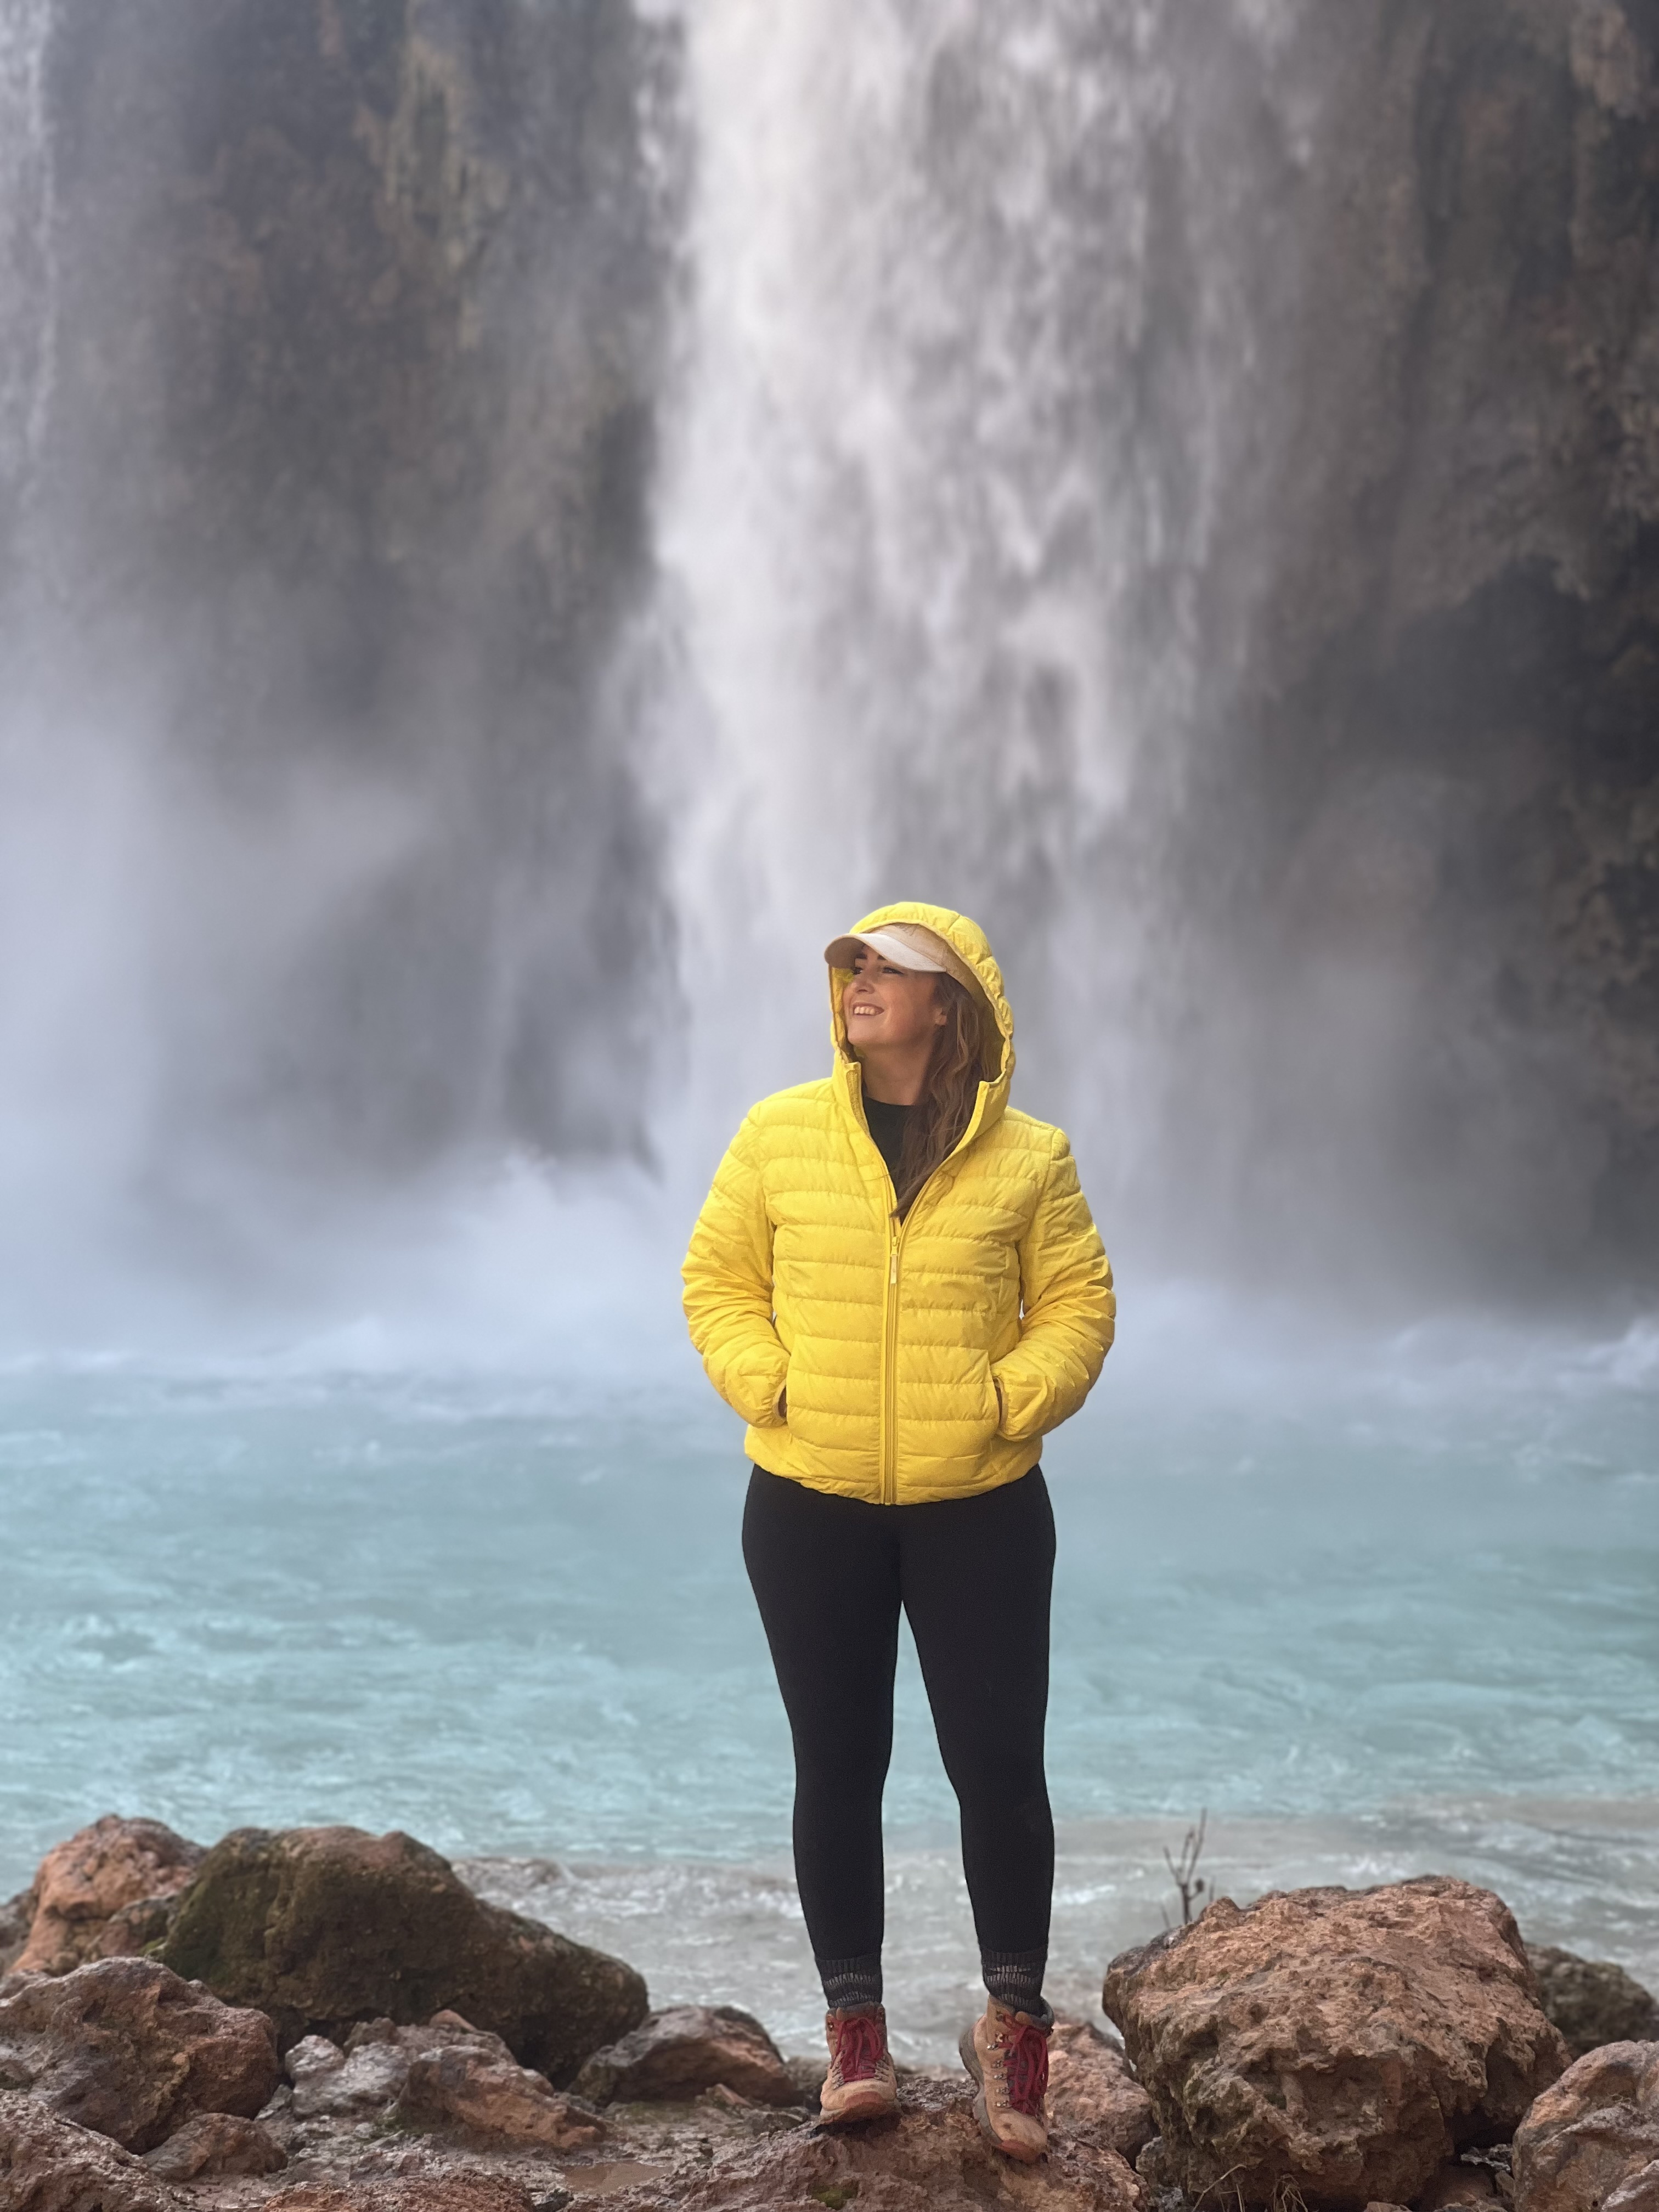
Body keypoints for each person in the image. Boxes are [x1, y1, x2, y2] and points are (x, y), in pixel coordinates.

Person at [681, 901, 1114, 2162]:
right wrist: (770, 1388)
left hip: (980, 1506)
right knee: (837, 1762)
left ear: (951, 1005)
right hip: (809, 1502)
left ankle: (1015, 2036)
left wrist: (1005, 1403)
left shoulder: (1031, 1157)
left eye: (893, 970)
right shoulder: (778, 1134)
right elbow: (716, 1279)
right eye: (853, 967)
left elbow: (1078, 1303)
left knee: (998, 1770)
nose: (863, 983)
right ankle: (855, 2037)